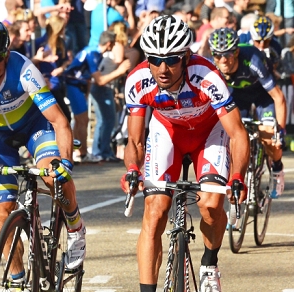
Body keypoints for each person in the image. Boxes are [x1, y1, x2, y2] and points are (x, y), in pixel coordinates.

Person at [120, 16, 249, 292]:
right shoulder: (138, 79)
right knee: (154, 212)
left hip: (208, 134)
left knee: (211, 205)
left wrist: (238, 175)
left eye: (172, 60)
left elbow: (237, 133)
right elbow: (134, 139)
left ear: (187, 56)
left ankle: (209, 264)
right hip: (168, 132)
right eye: (154, 59)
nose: (162, 68)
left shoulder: (207, 77)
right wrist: (132, 169)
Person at [0, 20, 87, 282]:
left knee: (52, 175)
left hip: (35, 127)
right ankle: (16, 280)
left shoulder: (24, 70)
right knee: (3, 211)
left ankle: (75, 227)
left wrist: (66, 163)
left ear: (6, 54)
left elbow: (59, 121)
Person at [209, 27, 287, 199]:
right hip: (239, 96)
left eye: (228, 55)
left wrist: (280, 130)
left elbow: (278, 97)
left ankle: (277, 168)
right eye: (217, 55)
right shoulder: (212, 65)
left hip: (263, 96)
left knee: (269, 138)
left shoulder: (253, 60)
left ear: (236, 52)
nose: (222, 60)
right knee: (230, 136)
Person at [64, 30, 131, 163]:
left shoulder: (92, 51)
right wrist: (120, 71)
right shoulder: (93, 54)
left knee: (79, 121)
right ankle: (83, 154)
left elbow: (89, 76)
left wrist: (87, 93)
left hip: (77, 86)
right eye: (112, 45)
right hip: (73, 85)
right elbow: (99, 80)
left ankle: (80, 152)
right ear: (109, 44)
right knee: (83, 120)